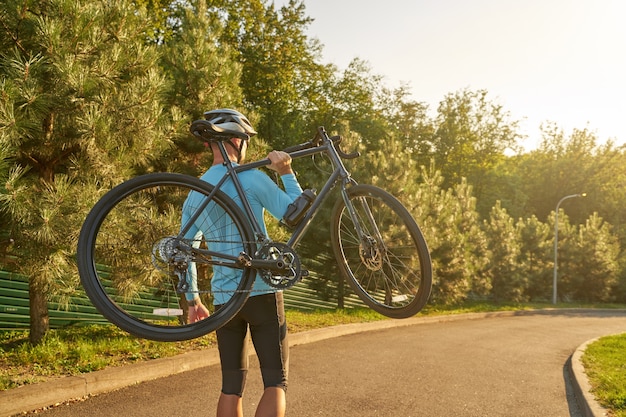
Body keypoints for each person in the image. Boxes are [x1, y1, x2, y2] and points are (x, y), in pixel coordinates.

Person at [181, 109, 303, 417]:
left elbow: (185, 251)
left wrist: (192, 298)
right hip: (261, 290)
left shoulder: (197, 191)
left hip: (224, 300)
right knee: (276, 381)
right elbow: (295, 213)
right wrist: (287, 173)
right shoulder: (251, 178)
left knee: (231, 385)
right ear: (237, 140)